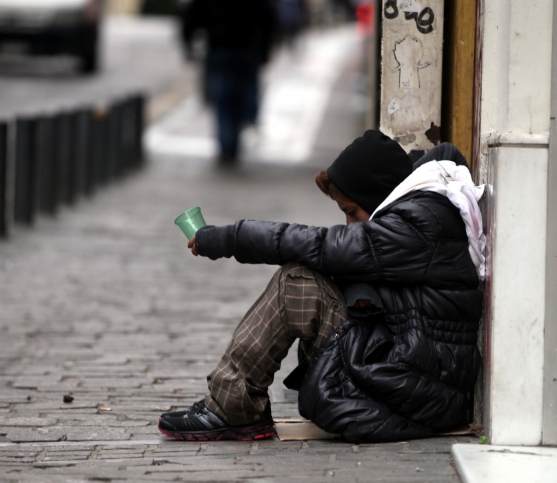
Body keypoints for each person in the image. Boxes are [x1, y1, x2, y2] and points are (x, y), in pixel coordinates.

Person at [158, 131, 485, 443]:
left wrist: (227, 238)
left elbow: (319, 244)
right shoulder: (422, 214)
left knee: (298, 283)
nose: (350, 223)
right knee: (307, 279)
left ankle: (233, 407)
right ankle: (233, 403)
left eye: (351, 212)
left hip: (415, 393)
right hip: (410, 376)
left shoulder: (417, 225)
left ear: (376, 196)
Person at [180, 0, 276, 165]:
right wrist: (265, 50)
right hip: (244, 50)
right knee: (236, 99)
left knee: (223, 101)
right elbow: (268, 17)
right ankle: (230, 144)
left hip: (222, 49)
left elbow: (191, 17)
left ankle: (227, 146)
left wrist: (188, 45)